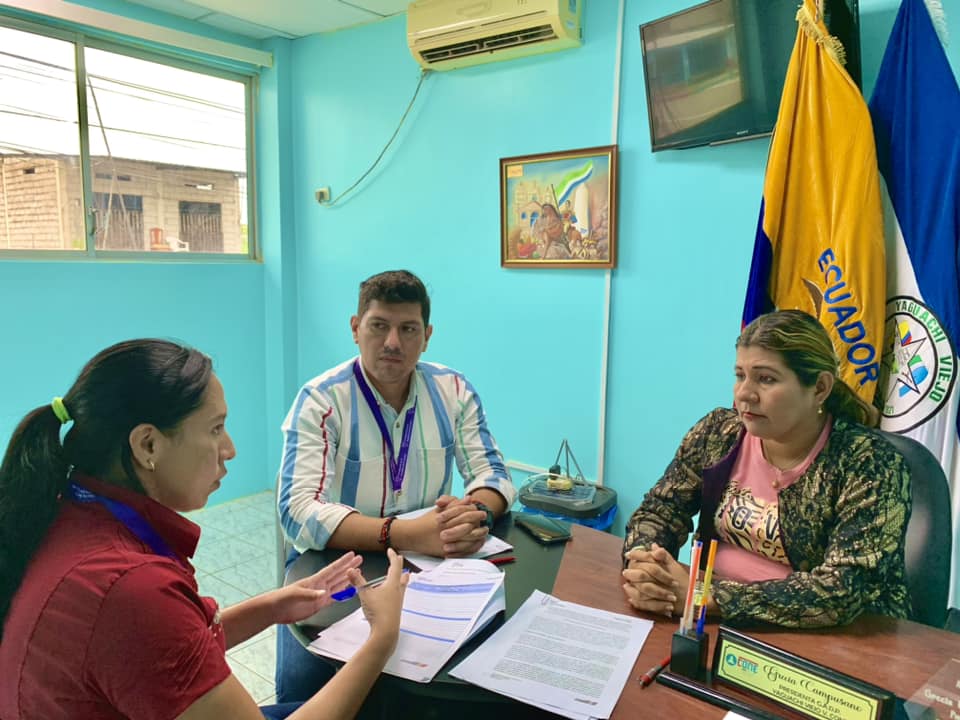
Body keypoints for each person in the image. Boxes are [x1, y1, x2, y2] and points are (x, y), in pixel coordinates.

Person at [0, 339, 408, 720]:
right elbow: (150, 625)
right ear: (147, 445)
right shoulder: (129, 589)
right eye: (215, 429)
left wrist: (273, 607)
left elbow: (164, 650)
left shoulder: (68, 512)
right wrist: (382, 638)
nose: (230, 449)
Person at [276, 269, 515, 700]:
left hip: (428, 566)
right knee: (304, 694)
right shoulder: (321, 400)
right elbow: (297, 512)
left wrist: (474, 513)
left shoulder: (452, 390)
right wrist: (401, 533)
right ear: (355, 328)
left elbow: (493, 474)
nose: (392, 342)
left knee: (448, 683)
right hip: (334, 566)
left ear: (426, 336)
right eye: (379, 326)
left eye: (408, 329)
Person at [621, 310, 912, 628]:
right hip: (709, 619)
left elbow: (841, 591)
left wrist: (707, 596)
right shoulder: (718, 432)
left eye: (766, 379)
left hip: (836, 636)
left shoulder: (870, 463)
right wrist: (647, 568)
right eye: (740, 375)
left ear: (819, 388)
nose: (744, 393)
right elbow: (659, 511)